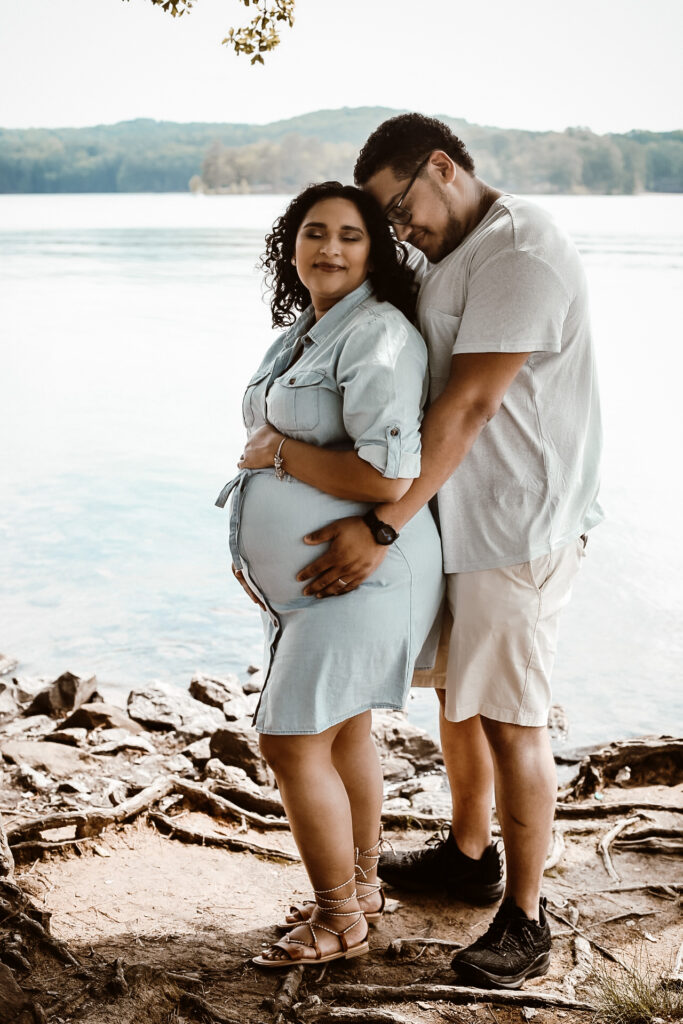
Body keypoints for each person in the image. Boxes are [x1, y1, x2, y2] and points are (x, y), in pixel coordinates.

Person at [295, 115, 604, 989]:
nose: (401, 228)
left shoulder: (519, 253)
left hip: (519, 525)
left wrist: (384, 523)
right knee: (458, 705)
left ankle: (526, 919)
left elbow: (467, 407)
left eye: (400, 207)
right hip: (460, 520)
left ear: (442, 165)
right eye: (388, 220)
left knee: (512, 718)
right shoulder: (453, 249)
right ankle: (469, 857)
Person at [216, 181, 444, 968]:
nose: (330, 249)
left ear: (374, 252)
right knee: (341, 728)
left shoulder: (378, 334)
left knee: (287, 741)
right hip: (312, 589)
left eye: (350, 235)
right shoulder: (302, 333)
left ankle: (337, 919)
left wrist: (277, 457)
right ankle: (363, 888)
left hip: (368, 571)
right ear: (291, 246)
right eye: (314, 232)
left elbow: (387, 476)